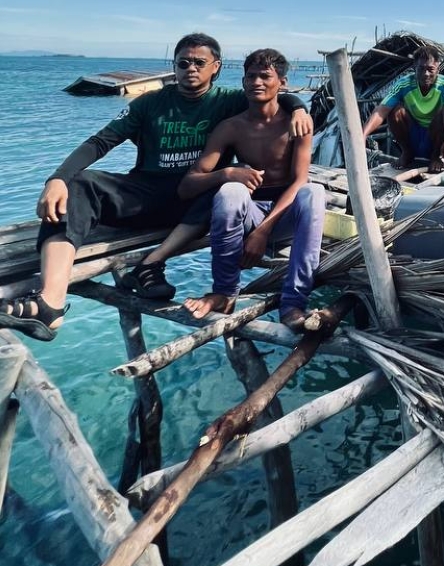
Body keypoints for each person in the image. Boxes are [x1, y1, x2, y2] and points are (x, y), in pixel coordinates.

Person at [0, 34, 311, 341]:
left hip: (196, 201)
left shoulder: (227, 101)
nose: (191, 68)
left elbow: (271, 91)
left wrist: (298, 107)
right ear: (173, 67)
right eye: (183, 62)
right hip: (147, 192)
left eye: (199, 63)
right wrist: (57, 177)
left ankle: (152, 264)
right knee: (77, 186)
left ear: (216, 67)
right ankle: (51, 304)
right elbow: (101, 141)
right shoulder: (149, 103)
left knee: (225, 191)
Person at [168, 49, 326, 330]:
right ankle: (224, 293)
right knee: (230, 191)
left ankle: (293, 303)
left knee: (313, 193)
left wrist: (263, 231)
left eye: (265, 76)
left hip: (284, 216)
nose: (257, 82)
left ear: (283, 83)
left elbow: (300, 180)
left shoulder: (297, 123)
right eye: (250, 76)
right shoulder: (231, 127)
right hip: (248, 213)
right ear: (242, 83)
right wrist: (227, 173)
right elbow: (187, 186)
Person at [361, 48, 444, 171]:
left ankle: (435, 157)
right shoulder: (404, 83)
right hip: (413, 133)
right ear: (414, 67)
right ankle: (407, 153)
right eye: (421, 69)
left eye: (430, 69)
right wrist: (363, 135)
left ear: (438, 67)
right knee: (395, 110)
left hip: (435, 134)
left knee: (443, 113)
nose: (426, 73)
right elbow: (382, 109)